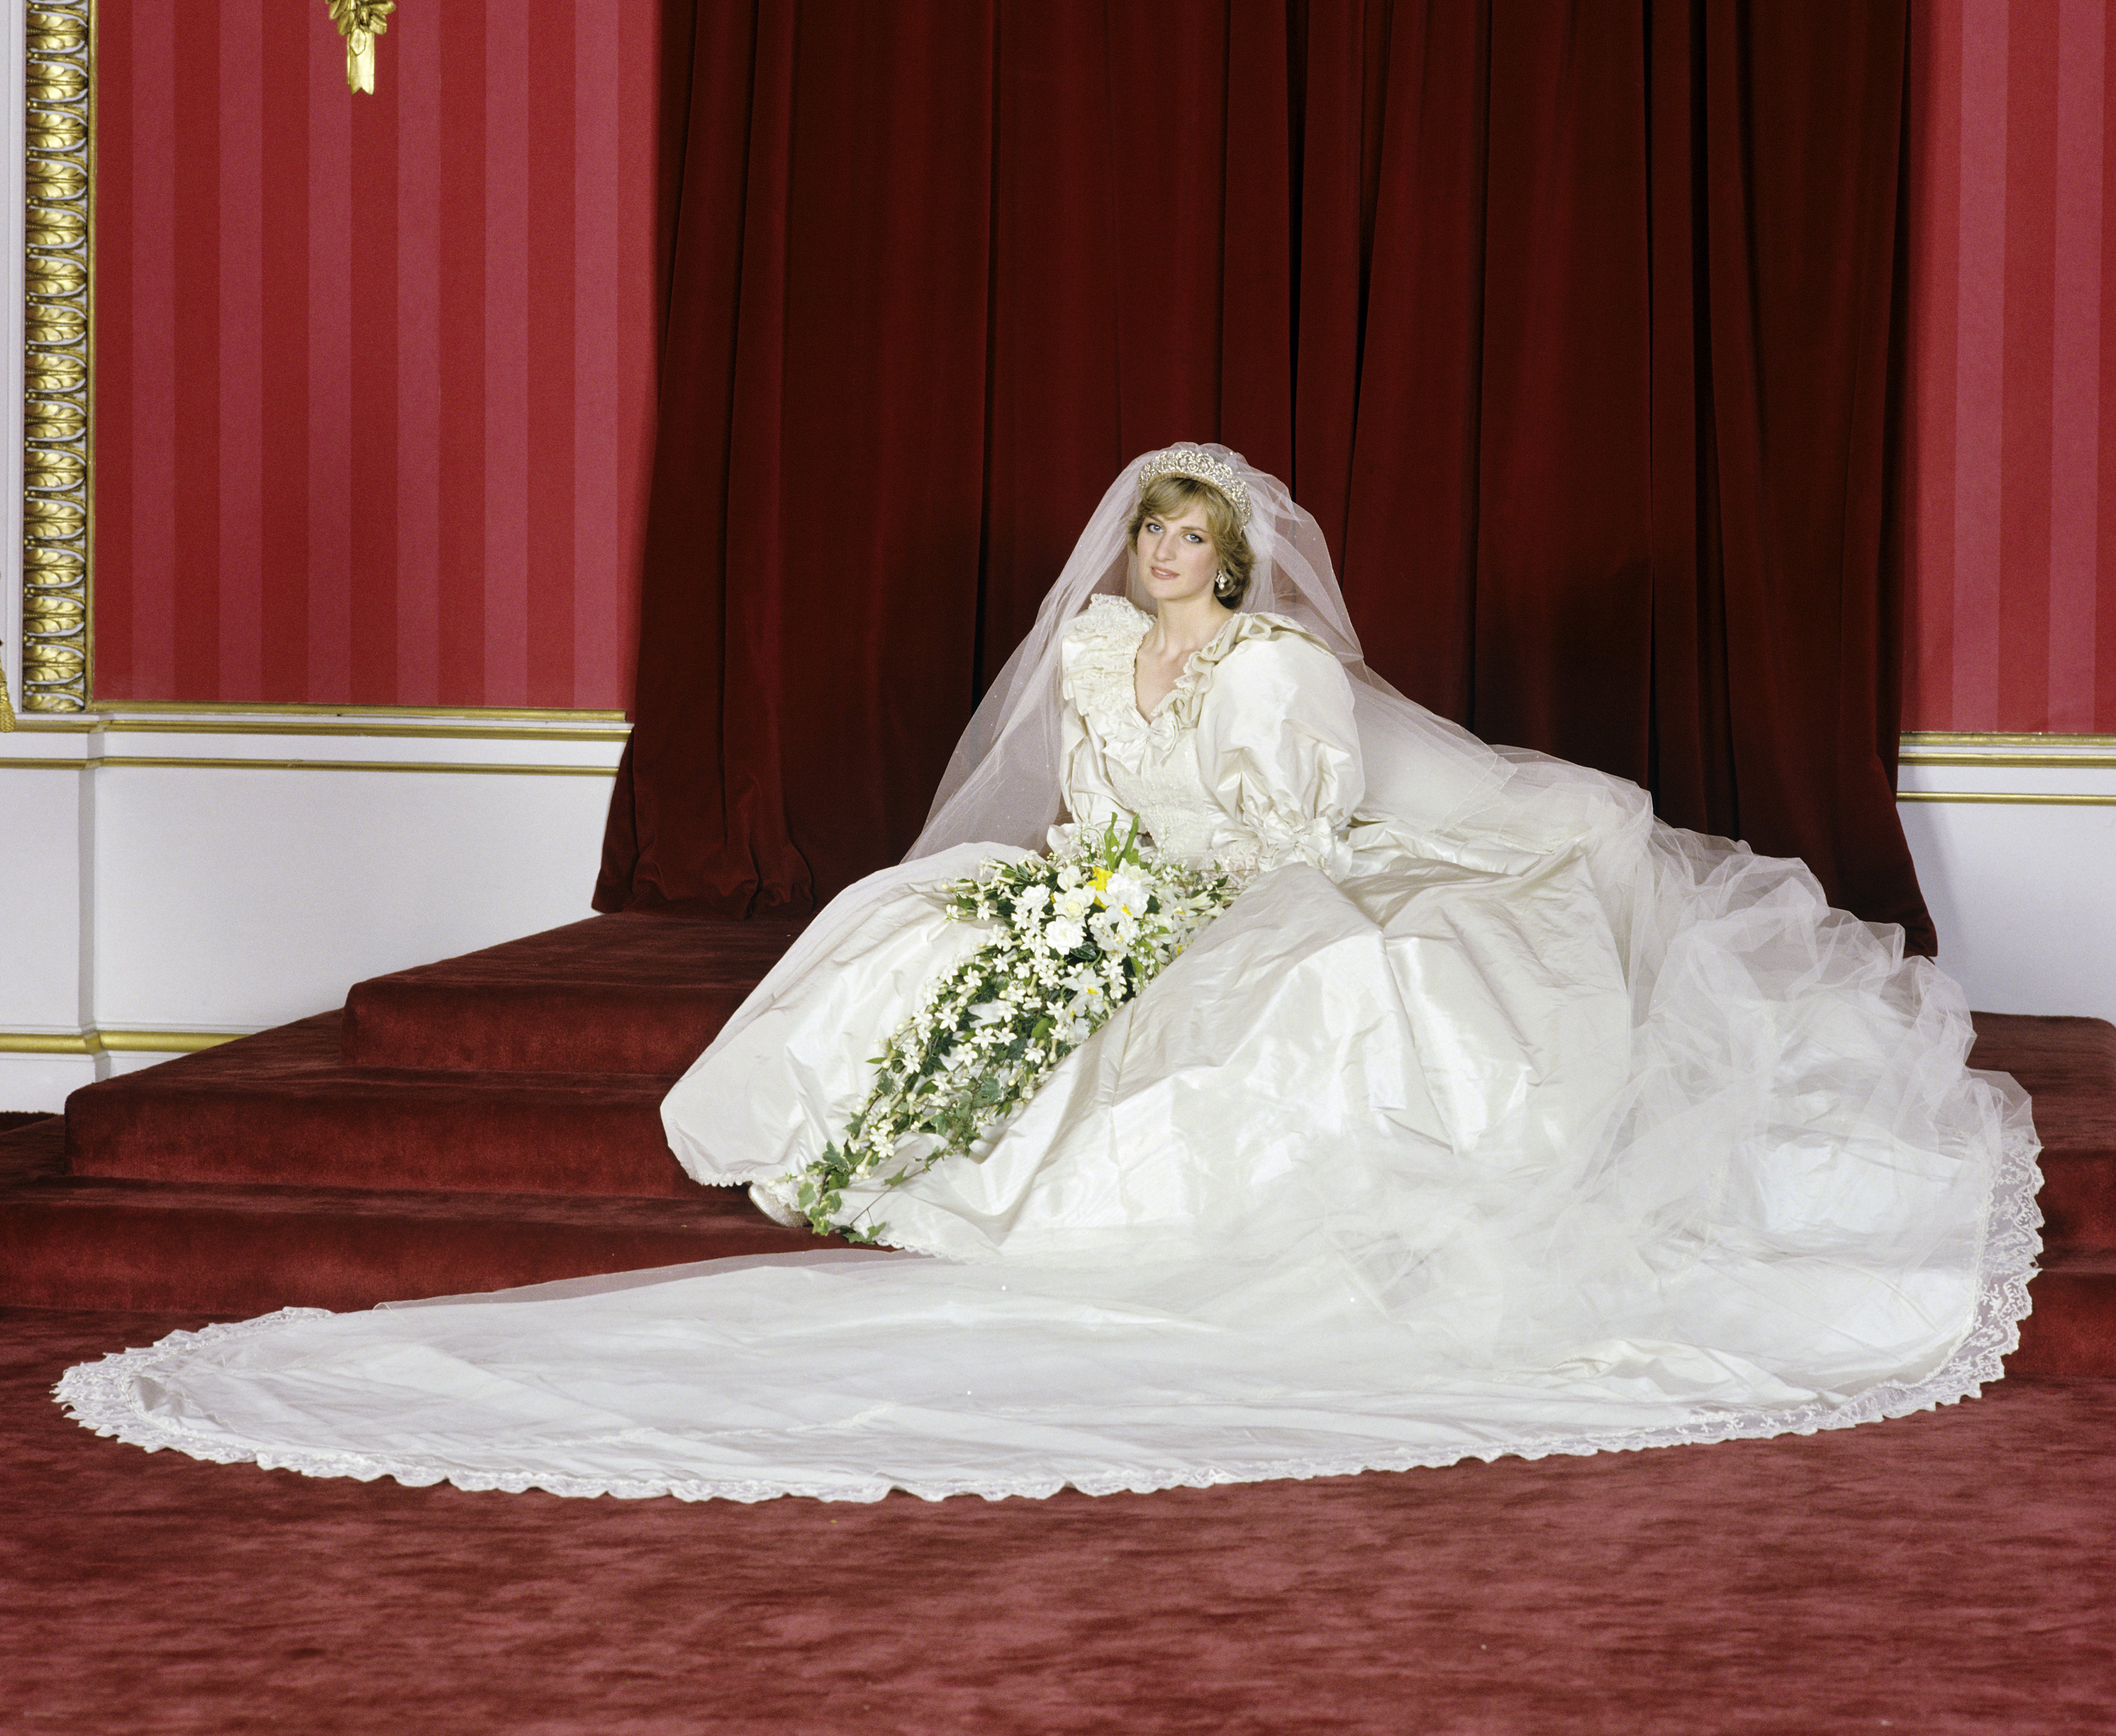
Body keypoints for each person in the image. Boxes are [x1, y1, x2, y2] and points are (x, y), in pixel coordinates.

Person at [58, 445, 2039, 1505]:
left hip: (1231, 873)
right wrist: (1077, 886)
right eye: (1152, 539)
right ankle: (880, 1125)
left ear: (1232, 563)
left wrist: (1154, 898)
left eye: (1190, 541)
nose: (1165, 563)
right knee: (912, 921)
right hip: (1120, 872)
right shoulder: (1097, 658)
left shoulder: (1277, 674)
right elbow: (1095, 791)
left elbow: (1280, 832)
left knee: (1304, 978)